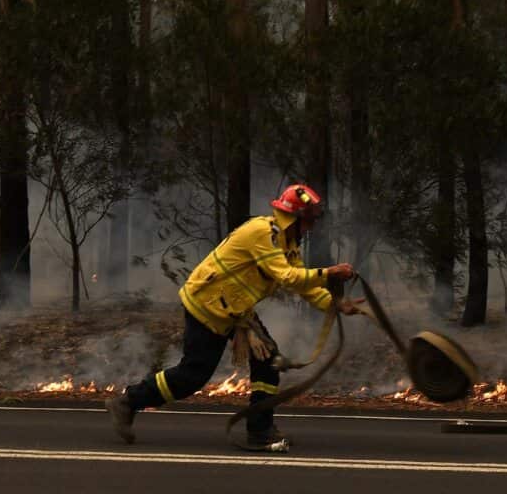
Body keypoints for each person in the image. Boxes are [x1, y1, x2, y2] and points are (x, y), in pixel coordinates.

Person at [108, 183, 362, 450]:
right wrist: (330, 273)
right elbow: (287, 276)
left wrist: (334, 305)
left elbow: (301, 283)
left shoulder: (287, 243)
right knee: (193, 375)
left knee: (269, 361)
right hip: (208, 305)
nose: (311, 228)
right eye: (309, 221)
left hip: (235, 310)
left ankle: (260, 429)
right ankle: (128, 402)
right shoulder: (263, 234)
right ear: (295, 218)